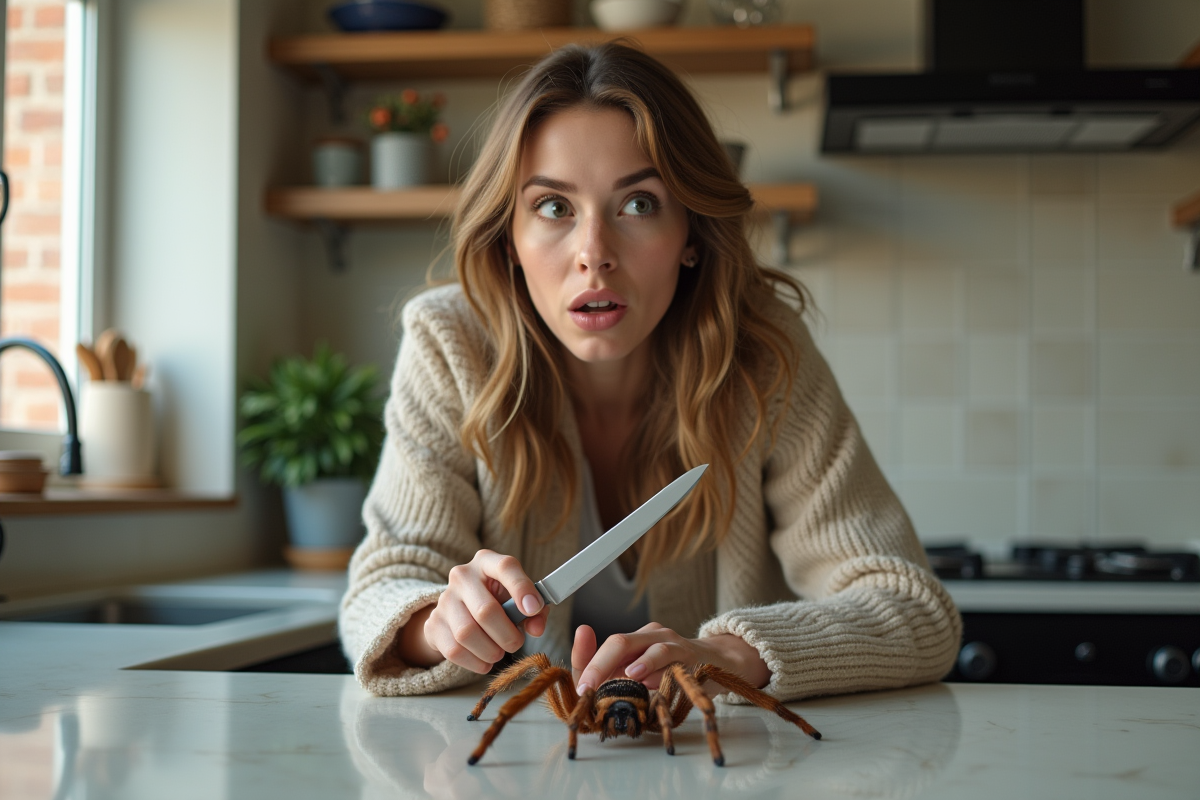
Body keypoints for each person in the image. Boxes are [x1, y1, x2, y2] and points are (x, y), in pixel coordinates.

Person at [339, 42, 960, 701]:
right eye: (553, 207)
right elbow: (379, 592)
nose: (594, 255)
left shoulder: (763, 352)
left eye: (639, 204)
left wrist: (729, 653)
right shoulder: (450, 341)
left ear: (690, 234)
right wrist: (436, 625)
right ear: (509, 239)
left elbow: (913, 611)